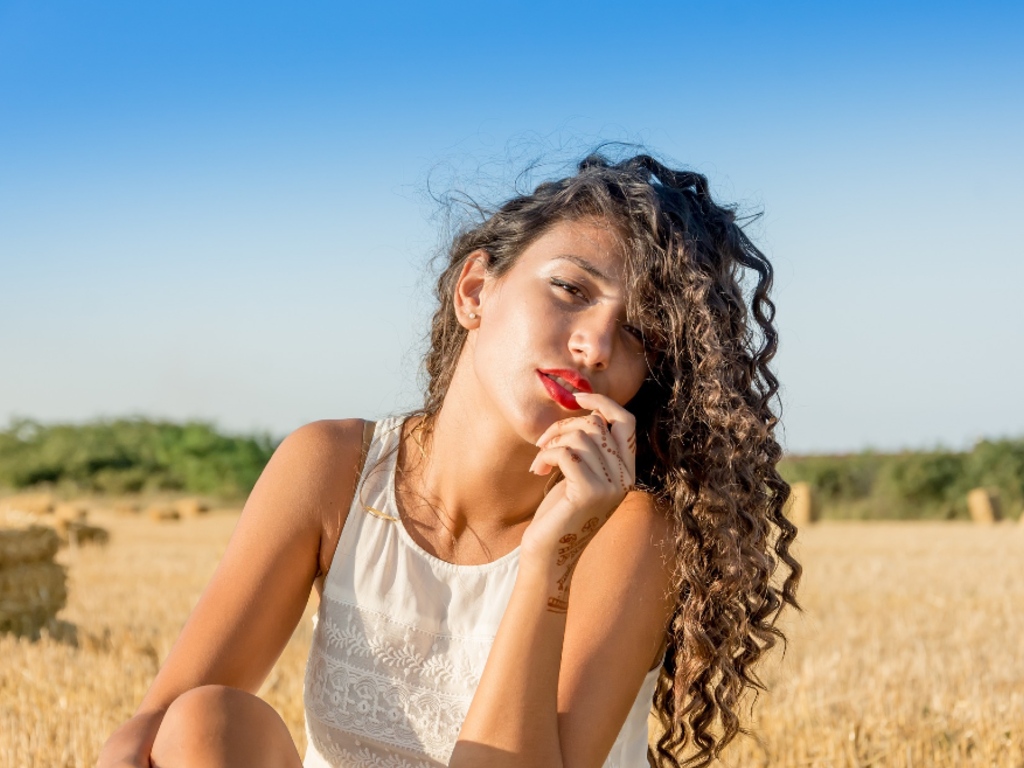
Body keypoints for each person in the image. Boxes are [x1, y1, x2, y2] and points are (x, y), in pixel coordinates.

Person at [97, 152, 801, 768]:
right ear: (474, 291)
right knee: (198, 723)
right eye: (571, 290)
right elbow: (151, 734)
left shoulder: (632, 533)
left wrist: (552, 557)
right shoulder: (333, 467)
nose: (593, 345)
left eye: (638, 332)